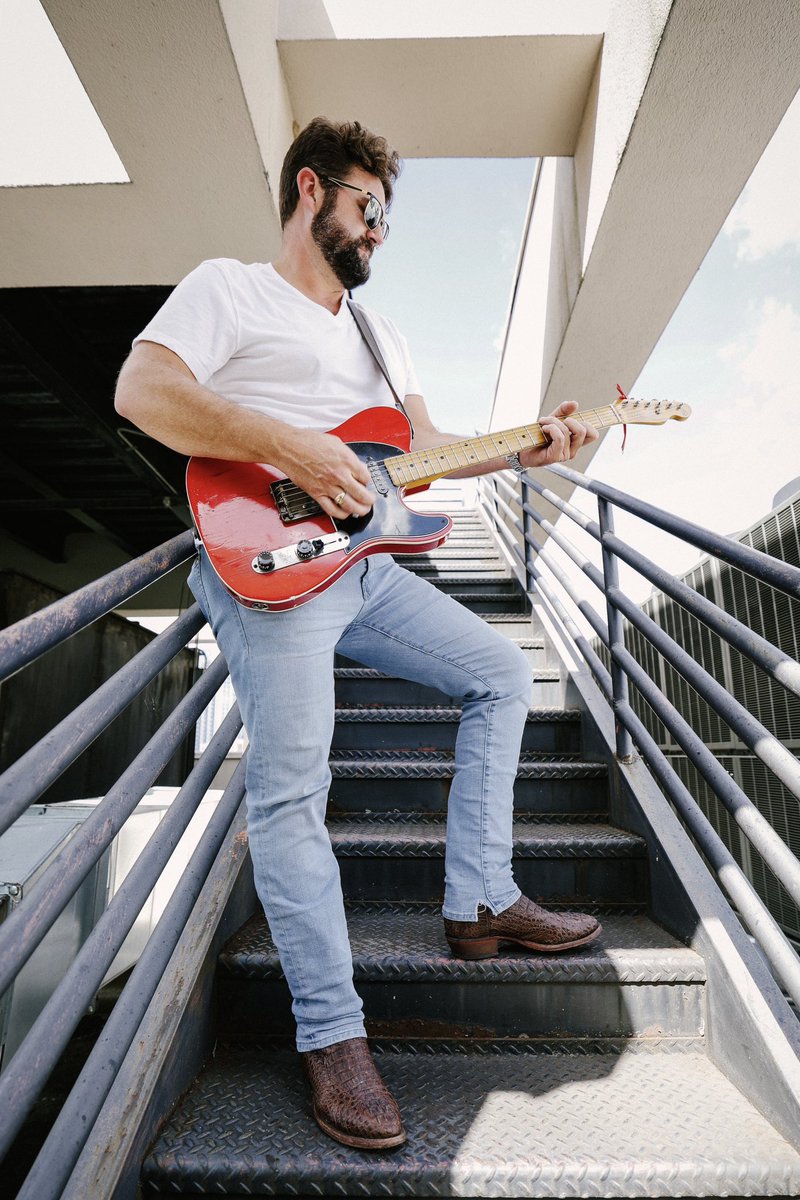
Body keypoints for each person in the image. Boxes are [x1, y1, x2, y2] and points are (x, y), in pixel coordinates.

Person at [115, 117, 601, 1151]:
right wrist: (287, 440)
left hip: (367, 568)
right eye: (367, 207)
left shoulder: (385, 339)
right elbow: (142, 391)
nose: (380, 231)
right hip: (268, 569)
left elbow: (418, 454)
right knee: (293, 790)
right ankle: (332, 1035)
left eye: (389, 215)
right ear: (310, 190)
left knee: (496, 676)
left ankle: (479, 901)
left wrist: (528, 447)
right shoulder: (228, 289)